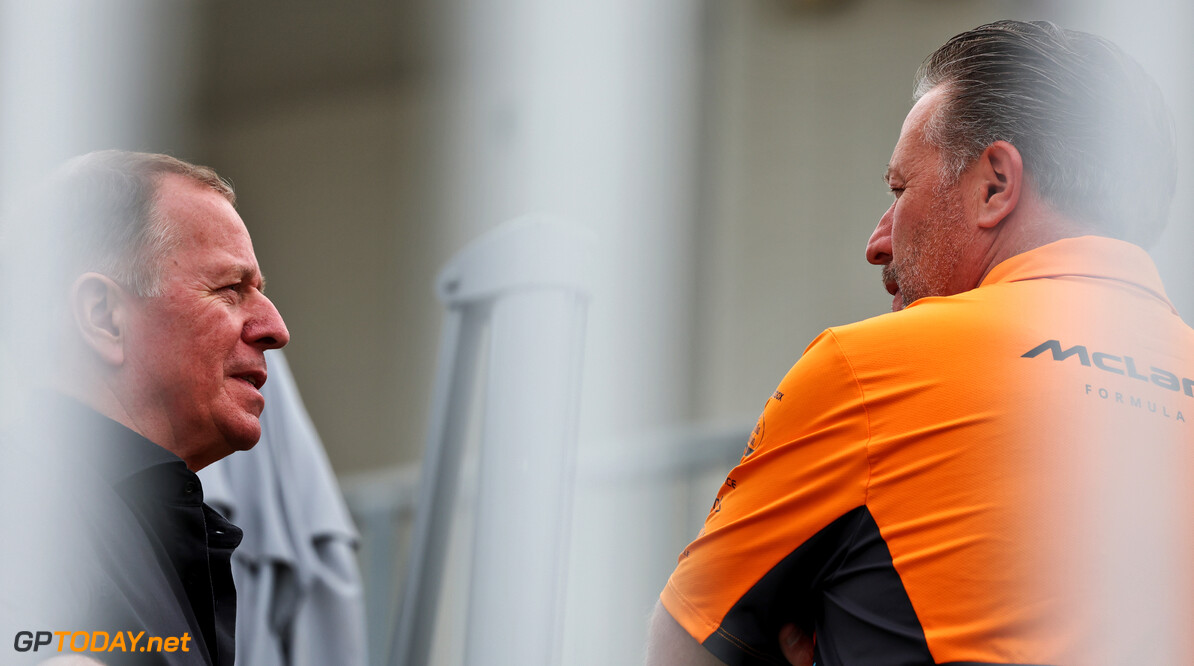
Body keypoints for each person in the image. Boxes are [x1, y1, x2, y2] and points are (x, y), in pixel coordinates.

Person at [647, 20, 1192, 666]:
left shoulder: (868, 372)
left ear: (995, 185)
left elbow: (684, 649)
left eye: (900, 190)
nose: (878, 241)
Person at [0, 150, 289, 665]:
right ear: (103, 317)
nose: (275, 329)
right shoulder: (21, 500)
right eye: (230, 289)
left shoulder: (151, 525)